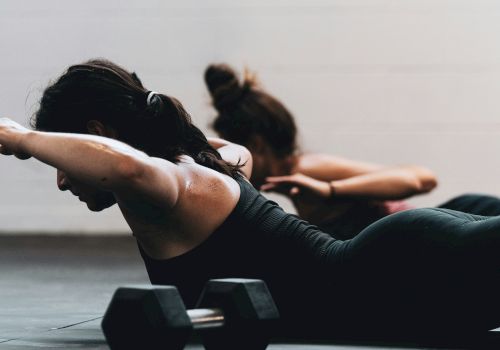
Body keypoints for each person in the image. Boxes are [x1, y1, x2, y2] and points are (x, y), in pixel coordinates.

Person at [3, 59, 500, 339]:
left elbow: (125, 164)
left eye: (63, 162)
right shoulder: (215, 161)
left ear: (96, 134)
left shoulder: (171, 185)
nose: (63, 181)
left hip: (398, 274)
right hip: (405, 291)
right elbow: (142, 155)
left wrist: (21, 139)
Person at [204, 64, 500, 240]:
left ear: (256, 145)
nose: (230, 165)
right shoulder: (298, 182)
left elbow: (421, 179)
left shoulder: (308, 169)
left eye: (232, 153)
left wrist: (330, 190)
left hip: (463, 222)